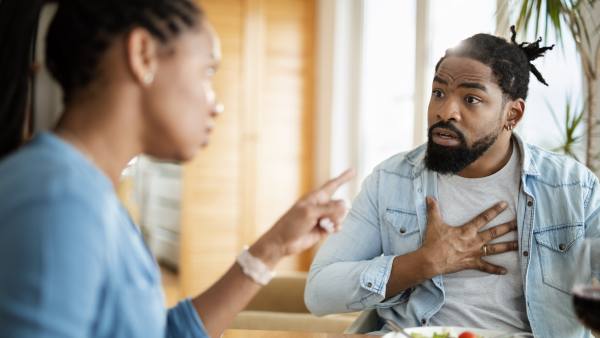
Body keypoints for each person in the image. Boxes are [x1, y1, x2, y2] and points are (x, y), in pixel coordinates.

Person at [0, 1, 353, 337]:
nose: (217, 105)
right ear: (142, 55)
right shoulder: (58, 201)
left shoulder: (82, 193)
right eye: (207, 71)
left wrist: (273, 247)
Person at [305, 27, 600, 338]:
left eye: (471, 99)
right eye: (439, 93)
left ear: (512, 115)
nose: (445, 112)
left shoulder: (572, 188)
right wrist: (423, 262)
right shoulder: (391, 180)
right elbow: (320, 291)